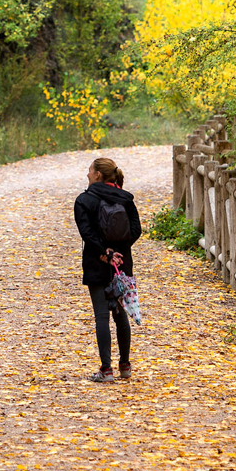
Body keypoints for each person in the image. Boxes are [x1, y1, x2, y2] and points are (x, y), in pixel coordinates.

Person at [73, 156, 141, 382]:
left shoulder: (84, 200)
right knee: (120, 314)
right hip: (122, 265)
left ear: (98, 175)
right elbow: (136, 229)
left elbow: (87, 233)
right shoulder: (126, 199)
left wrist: (105, 252)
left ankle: (106, 370)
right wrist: (120, 251)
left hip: (97, 261)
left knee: (101, 315)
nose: (87, 174)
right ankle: (125, 366)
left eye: (90, 170)